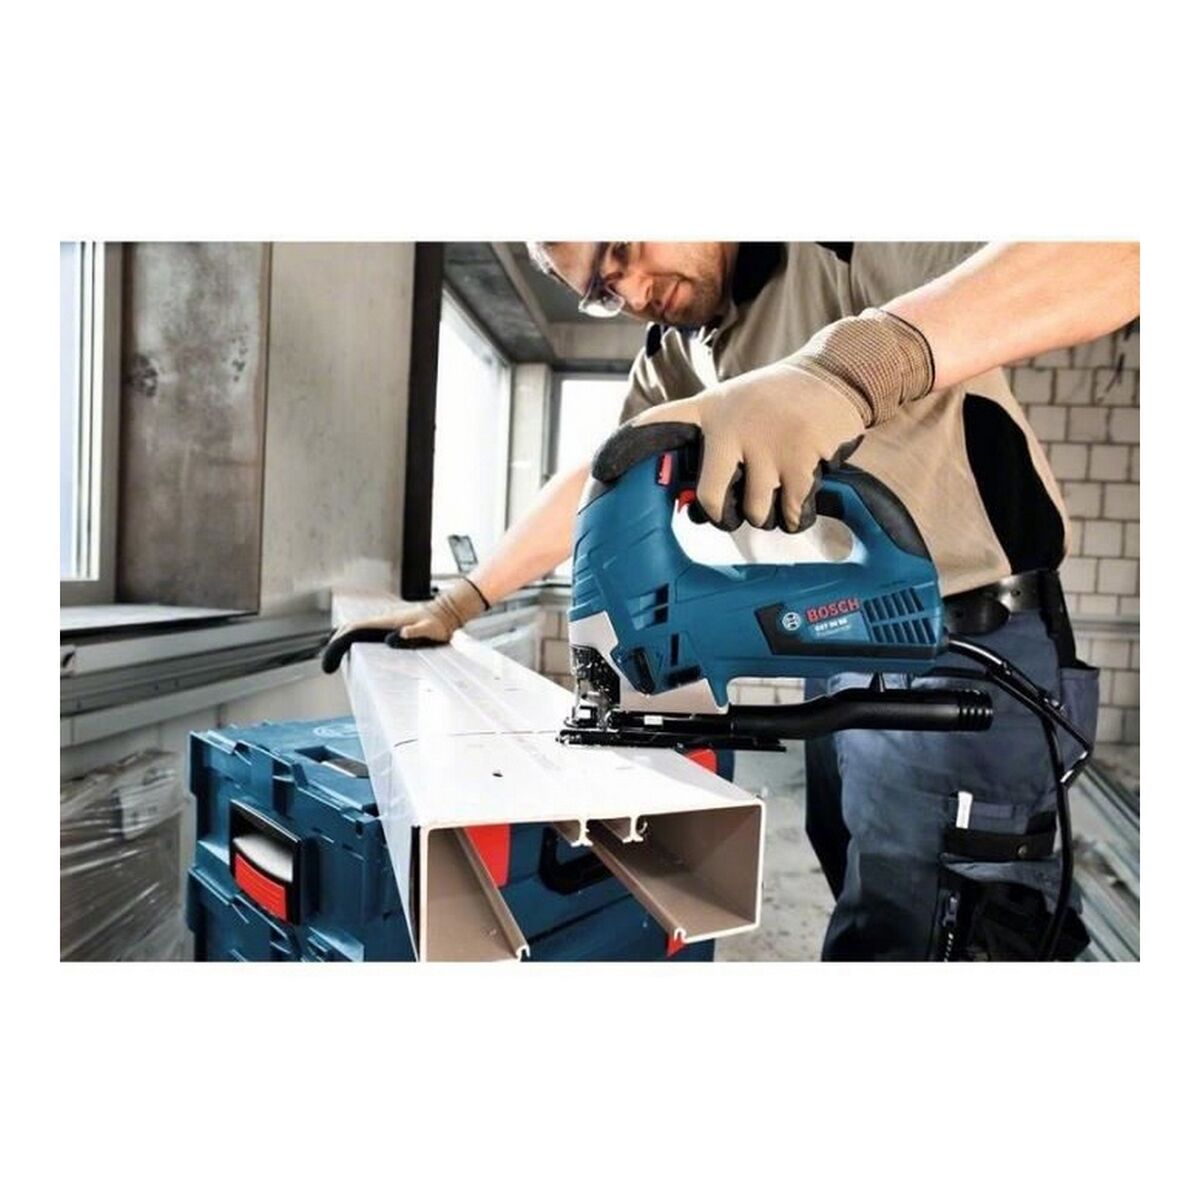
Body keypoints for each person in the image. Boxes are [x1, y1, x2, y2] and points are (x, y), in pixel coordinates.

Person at [330, 241, 1139, 961]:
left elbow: (1120, 254)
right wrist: (462, 600)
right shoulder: (675, 349)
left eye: (623, 247)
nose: (634, 291)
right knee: (870, 891)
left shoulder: (838, 240)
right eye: (604, 292)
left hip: (973, 643)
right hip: (847, 656)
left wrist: (852, 368)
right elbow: (604, 476)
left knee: (941, 928)